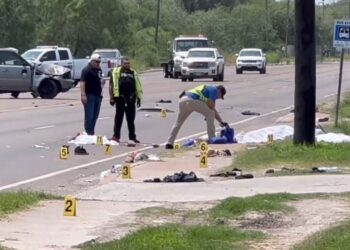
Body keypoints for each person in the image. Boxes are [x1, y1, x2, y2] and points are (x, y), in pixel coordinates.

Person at [165, 84, 228, 149]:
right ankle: (212, 139)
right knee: (210, 114)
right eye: (220, 96)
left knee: (178, 122)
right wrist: (220, 121)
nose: (218, 98)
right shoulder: (214, 90)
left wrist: (221, 121)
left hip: (183, 99)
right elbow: (212, 107)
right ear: (219, 91)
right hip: (192, 100)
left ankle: (169, 143)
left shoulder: (206, 90)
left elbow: (210, 107)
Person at [109, 57, 143, 143]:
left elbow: (137, 85)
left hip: (131, 99)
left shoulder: (133, 72)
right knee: (118, 118)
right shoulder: (117, 72)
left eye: (128, 63)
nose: (127, 65)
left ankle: (132, 137)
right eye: (125, 63)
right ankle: (116, 136)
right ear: (122, 64)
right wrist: (111, 98)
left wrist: (138, 98)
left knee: (131, 119)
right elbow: (111, 85)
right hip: (120, 98)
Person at [80, 53, 103, 135]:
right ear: (92, 61)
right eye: (97, 62)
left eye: (99, 62)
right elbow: (82, 82)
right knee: (89, 116)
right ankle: (88, 132)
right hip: (89, 95)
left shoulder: (99, 70)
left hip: (98, 95)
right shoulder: (86, 70)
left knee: (95, 116)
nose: (98, 63)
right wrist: (83, 95)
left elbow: (100, 80)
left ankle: (91, 131)